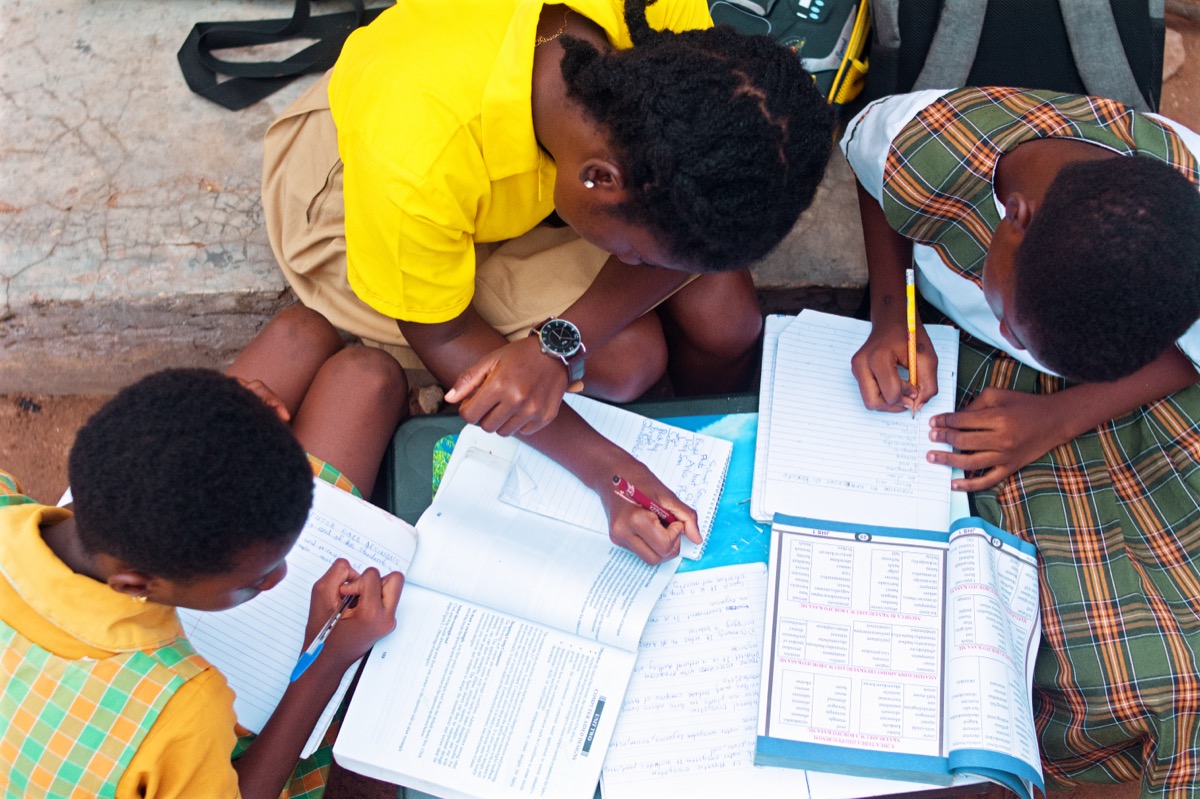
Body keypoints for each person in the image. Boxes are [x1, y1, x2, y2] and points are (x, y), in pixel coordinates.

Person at [262, 0, 836, 565]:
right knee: (631, 356)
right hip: (359, 209)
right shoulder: (414, 164)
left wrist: (559, 343)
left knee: (727, 312)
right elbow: (440, 332)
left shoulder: (678, 53)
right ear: (601, 180)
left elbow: (685, 251)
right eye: (636, 252)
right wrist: (611, 469)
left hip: (521, 177)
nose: (637, 263)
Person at [841, 85, 1200, 797]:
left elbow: (1183, 354)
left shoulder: (1181, 237)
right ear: (1013, 221)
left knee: (1181, 666)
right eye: (1015, 325)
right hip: (997, 373)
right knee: (1095, 668)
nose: (1012, 332)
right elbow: (872, 182)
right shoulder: (923, 148)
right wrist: (893, 314)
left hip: (1137, 381)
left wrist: (1059, 414)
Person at [0, 333, 407, 798]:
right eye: (252, 583)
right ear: (135, 584)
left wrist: (204, 426)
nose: (281, 578)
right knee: (367, 378)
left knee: (301, 333)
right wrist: (326, 659)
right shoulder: (185, 707)